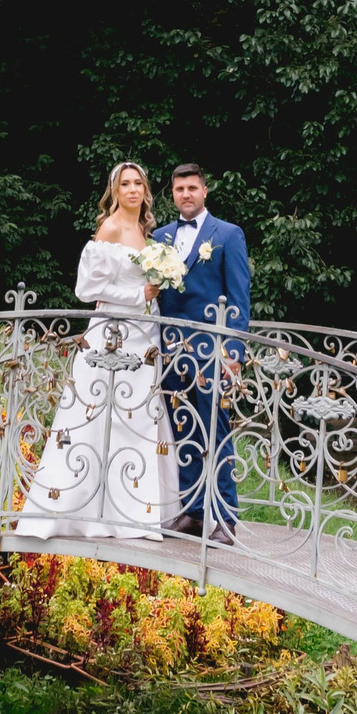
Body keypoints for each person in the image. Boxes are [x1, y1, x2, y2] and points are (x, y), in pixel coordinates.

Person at [17, 162, 177, 540]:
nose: (133, 190)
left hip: (145, 335)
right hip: (112, 336)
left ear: (146, 190)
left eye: (138, 183)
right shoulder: (110, 228)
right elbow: (87, 289)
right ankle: (83, 510)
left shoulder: (147, 232)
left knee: (140, 417)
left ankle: (138, 512)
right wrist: (139, 294)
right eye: (125, 184)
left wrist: (155, 291)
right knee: (99, 415)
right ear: (115, 191)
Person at [154, 163, 252, 544]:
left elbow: (239, 299)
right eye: (180, 189)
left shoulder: (227, 235)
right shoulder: (160, 237)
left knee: (217, 431)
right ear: (173, 194)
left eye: (192, 188)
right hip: (170, 351)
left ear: (204, 191)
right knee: (183, 432)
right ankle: (194, 513)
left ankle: (226, 518)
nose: (186, 195)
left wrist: (234, 351)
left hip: (212, 353)